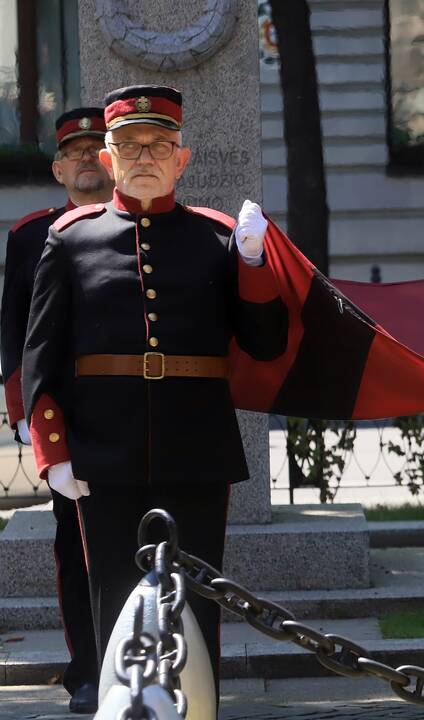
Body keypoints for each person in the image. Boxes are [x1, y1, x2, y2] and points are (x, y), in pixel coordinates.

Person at [20, 84, 288, 705]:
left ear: (181, 158)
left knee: (196, 606)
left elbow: (265, 342)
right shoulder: (70, 239)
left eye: (159, 144)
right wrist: (53, 451)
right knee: (114, 598)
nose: (144, 155)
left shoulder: (217, 238)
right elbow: (43, 355)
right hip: (101, 449)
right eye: (129, 145)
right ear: (108, 157)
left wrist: (252, 262)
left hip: (194, 445)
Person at [1, 107, 112, 714]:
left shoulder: (140, 226)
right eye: (76, 152)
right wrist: (23, 408)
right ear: (58, 167)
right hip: (64, 414)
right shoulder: (29, 236)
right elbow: (14, 331)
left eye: (99, 148)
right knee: (77, 546)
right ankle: (89, 670)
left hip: (130, 406)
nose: (88, 159)